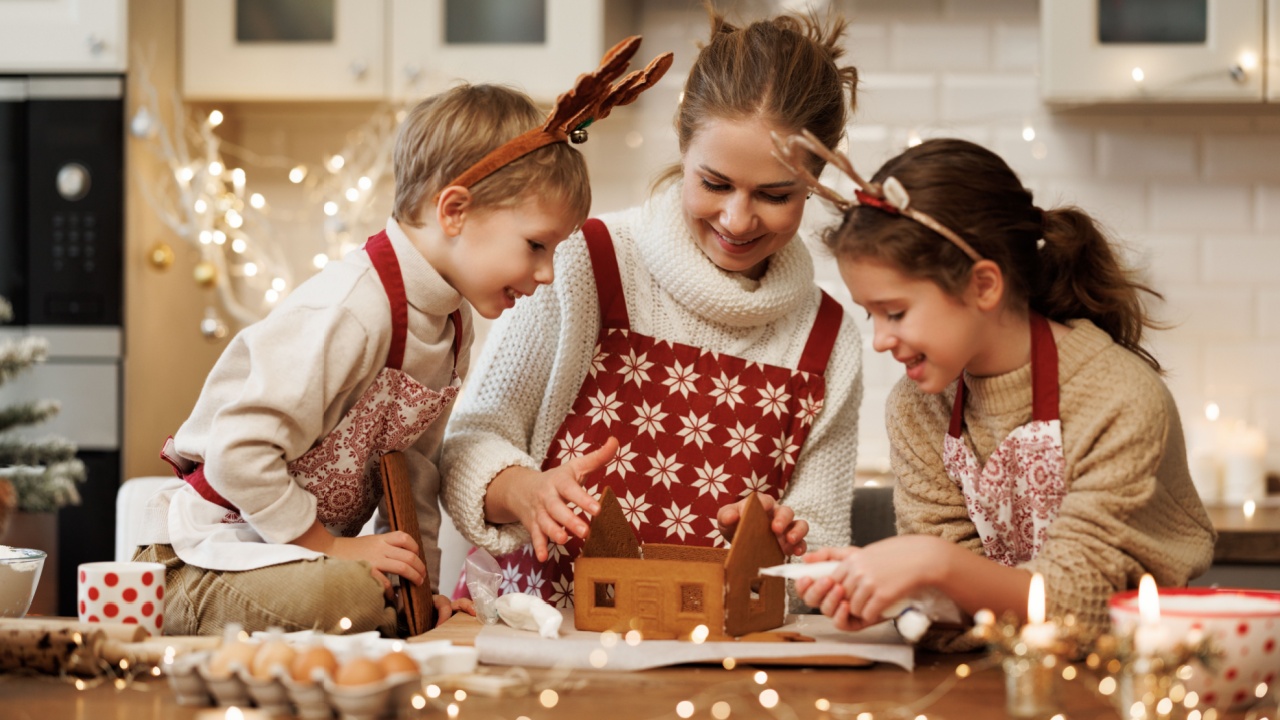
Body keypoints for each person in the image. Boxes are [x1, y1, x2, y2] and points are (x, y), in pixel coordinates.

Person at [134, 36, 669, 635]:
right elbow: (237, 453)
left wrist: (421, 600)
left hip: (287, 560)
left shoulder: (451, 326)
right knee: (351, 595)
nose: (546, 274)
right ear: (455, 211)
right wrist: (328, 548)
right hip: (200, 561)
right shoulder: (352, 310)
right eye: (536, 246)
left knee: (377, 600)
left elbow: (413, 476)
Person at [441, 8, 864, 606]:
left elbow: (820, 558)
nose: (738, 220)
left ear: (815, 183)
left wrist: (778, 542)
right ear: (683, 143)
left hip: (720, 673)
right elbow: (471, 438)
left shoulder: (828, 337)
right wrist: (523, 490)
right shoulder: (585, 261)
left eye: (775, 195)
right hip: (539, 636)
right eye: (715, 183)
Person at [773, 134, 1216, 645]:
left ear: (984, 285)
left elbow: (1086, 603)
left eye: (894, 312)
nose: (879, 340)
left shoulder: (1120, 398)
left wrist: (932, 564)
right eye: (870, 314)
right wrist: (897, 595)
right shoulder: (919, 408)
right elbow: (955, 609)